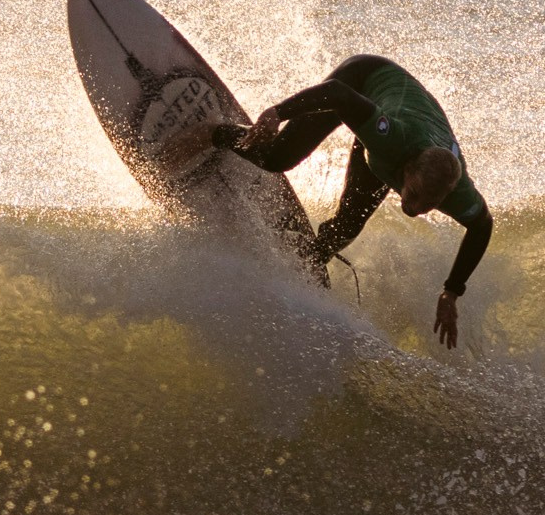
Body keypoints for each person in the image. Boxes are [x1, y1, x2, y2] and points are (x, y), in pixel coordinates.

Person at [210, 55, 492, 347]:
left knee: (347, 228)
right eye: (415, 194)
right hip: (363, 80)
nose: (417, 208)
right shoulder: (391, 139)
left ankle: (304, 260)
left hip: (399, 125)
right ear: (407, 171)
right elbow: (337, 93)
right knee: (278, 157)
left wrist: (451, 291)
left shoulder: (457, 193)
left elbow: (482, 226)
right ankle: (216, 132)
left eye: (430, 204)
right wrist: (277, 113)